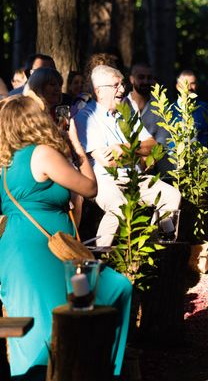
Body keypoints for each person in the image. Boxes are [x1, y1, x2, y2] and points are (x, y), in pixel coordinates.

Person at [0, 95, 132, 378]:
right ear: (34, 120)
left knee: (36, 328)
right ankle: (107, 370)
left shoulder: (4, 163)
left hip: (19, 252)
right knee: (113, 291)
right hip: (41, 254)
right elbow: (89, 188)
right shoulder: (42, 153)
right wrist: (77, 146)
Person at [73, 65, 181, 247]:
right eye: (116, 85)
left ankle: (154, 247)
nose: (122, 90)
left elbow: (152, 146)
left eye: (122, 84)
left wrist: (125, 147)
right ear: (99, 91)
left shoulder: (127, 113)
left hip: (135, 177)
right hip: (105, 180)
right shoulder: (87, 117)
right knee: (119, 208)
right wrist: (138, 154)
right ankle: (99, 257)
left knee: (171, 195)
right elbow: (108, 162)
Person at [173, 69, 208, 147]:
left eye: (192, 83)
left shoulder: (204, 108)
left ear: (197, 85)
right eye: (185, 84)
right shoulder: (170, 110)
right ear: (177, 86)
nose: (189, 87)